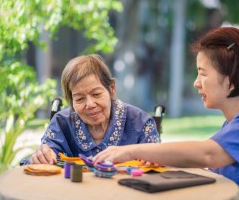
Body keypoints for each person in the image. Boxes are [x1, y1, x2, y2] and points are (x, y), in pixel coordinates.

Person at [93, 27, 239, 185]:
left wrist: (129, 151)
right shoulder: (229, 126)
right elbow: (202, 160)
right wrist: (159, 157)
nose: (196, 83)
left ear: (231, 79)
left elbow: (207, 155)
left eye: (203, 74)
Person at [25, 54, 160, 165]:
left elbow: (157, 160)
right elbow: (43, 158)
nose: (89, 104)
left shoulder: (140, 122)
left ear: (112, 89)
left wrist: (152, 159)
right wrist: (41, 156)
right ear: (71, 101)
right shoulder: (61, 123)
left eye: (96, 94)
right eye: (79, 99)